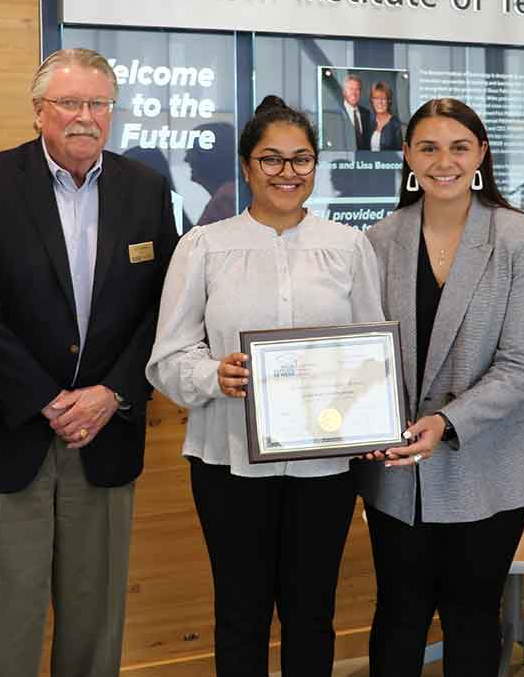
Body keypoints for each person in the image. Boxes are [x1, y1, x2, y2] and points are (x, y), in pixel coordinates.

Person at [0, 48, 178, 677]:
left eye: (97, 104)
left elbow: (165, 308)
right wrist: (44, 398)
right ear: (39, 111)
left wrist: (111, 393)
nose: (84, 117)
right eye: (69, 103)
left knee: (95, 632)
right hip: (5, 431)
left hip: (105, 434)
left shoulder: (146, 189)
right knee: (1, 629)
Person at [147, 96, 384, 677]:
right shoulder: (204, 246)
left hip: (324, 468)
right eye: (272, 160)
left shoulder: (349, 247)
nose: (288, 173)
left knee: (312, 614)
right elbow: (168, 357)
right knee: (240, 614)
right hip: (229, 462)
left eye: (301, 160)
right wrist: (213, 375)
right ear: (248, 166)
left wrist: (372, 416)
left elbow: (371, 355)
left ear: (316, 165)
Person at [356, 98, 524, 675]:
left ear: (481, 155)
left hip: (487, 461)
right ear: (408, 157)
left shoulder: (523, 240)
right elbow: (366, 352)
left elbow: (522, 364)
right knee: (399, 610)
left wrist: (446, 423)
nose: (444, 161)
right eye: (429, 148)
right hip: (396, 466)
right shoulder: (377, 240)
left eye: (459, 147)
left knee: (470, 613)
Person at [367, 81, 403, 151]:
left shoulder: (396, 124)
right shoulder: (368, 121)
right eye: (376, 98)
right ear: (372, 100)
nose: (380, 102)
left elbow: (400, 154)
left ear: (389, 100)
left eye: (383, 98)